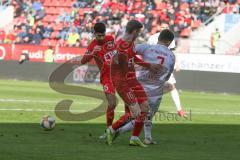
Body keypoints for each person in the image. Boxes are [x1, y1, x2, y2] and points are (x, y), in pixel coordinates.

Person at [112, 29, 176, 145]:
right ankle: (116, 130)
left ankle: (147, 137)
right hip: (155, 90)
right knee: (144, 115)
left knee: (138, 114)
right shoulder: (172, 56)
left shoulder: (147, 48)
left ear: (159, 38)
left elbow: (130, 51)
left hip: (138, 85)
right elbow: (168, 74)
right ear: (169, 42)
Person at [106, 20, 161, 147]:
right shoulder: (119, 46)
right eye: (139, 32)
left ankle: (134, 137)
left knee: (145, 108)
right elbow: (115, 64)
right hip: (123, 82)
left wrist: (148, 65)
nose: (139, 34)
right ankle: (111, 129)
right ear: (135, 31)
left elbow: (133, 58)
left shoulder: (130, 43)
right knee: (135, 113)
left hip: (133, 80)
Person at [79, 22, 117, 136]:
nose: (101, 38)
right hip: (107, 77)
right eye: (98, 35)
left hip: (119, 74)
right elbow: (82, 61)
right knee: (112, 104)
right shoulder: (92, 45)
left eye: (102, 35)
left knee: (131, 104)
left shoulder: (111, 39)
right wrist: (92, 53)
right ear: (94, 33)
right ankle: (109, 130)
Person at [148, 30, 186, 117]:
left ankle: (179, 109)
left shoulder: (154, 37)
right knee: (169, 87)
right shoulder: (154, 38)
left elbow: (172, 52)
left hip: (159, 65)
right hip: (161, 66)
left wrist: (177, 63)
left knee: (170, 87)